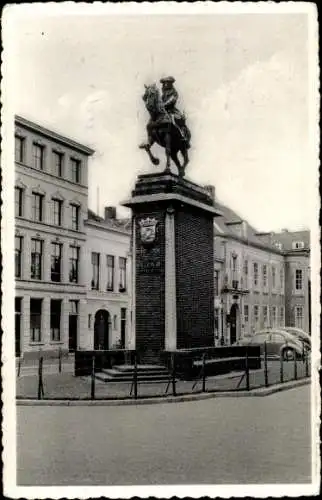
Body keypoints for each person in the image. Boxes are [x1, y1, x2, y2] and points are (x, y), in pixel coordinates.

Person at [160, 76, 191, 147]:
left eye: (167, 82)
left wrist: (164, 104)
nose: (165, 84)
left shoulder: (174, 93)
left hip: (172, 110)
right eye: (164, 83)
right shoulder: (163, 94)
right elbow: (161, 101)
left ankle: (183, 135)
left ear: (170, 83)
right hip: (164, 111)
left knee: (175, 120)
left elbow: (172, 100)